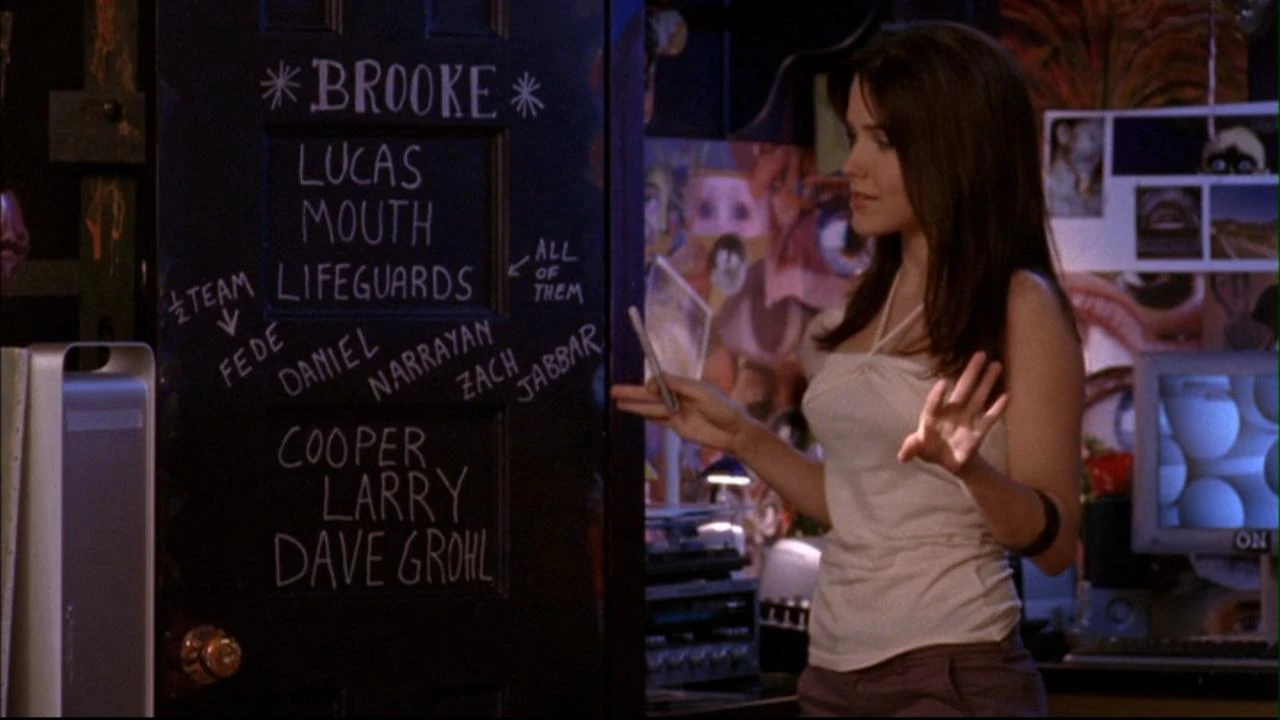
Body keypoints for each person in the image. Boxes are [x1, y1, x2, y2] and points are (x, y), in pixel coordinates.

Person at [613, 21, 1084, 718]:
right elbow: (858, 506)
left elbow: (1056, 545)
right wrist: (739, 433)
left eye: (881, 142)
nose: (852, 164)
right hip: (832, 670)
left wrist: (971, 471)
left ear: (955, 149)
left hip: (952, 667)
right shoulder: (863, 302)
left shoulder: (1021, 305)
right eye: (854, 135)